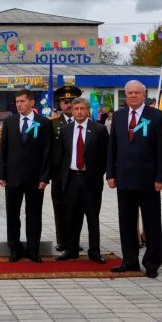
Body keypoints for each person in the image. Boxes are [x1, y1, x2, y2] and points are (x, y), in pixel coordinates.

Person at [106, 80, 162, 278]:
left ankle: (152, 263)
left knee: (151, 223)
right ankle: (130, 260)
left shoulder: (156, 116)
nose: (133, 96)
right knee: (126, 222)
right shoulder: (118, 116)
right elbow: (113, 148)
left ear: (144, 95)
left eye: (137, 93)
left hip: (148, 180)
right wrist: (111, 174)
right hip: (124, 178)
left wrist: (160, 178)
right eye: (130, 93)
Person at [0, 88, 51, 263]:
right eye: (17, 101)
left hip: (35, 179)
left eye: (22, 101)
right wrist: (1, 174)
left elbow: (47, 152)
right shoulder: (9, 123)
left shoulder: (43, 123)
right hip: (12, 177)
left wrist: (44, 177)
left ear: (31, 102)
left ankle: (33, 248)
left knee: (33, 214)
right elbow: (3, 150)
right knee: (12, 214)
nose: (19, 104)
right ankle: (14, 247)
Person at [55, 97, 108, 264]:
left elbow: (106, 155)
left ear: (87, 111)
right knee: (71, 216)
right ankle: (71, 249)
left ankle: (94, 251)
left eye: (82, 109)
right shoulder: (66, 130)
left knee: (92, 216)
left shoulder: (99, 129)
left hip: (90, 180)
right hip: (71, 179)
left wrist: (99, 173)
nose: (78, 111)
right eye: (76, 108)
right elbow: (61, 155)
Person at [49, 84, 80, 253]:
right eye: (65, 102)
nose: (68, 105)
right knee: (60, 208)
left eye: (72, 101)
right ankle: (62, 240)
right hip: (59, 176)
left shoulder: (84, 123)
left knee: (77, 209)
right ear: (60, 105)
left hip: (78, 175)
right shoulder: (53, 124)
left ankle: (75, 240)